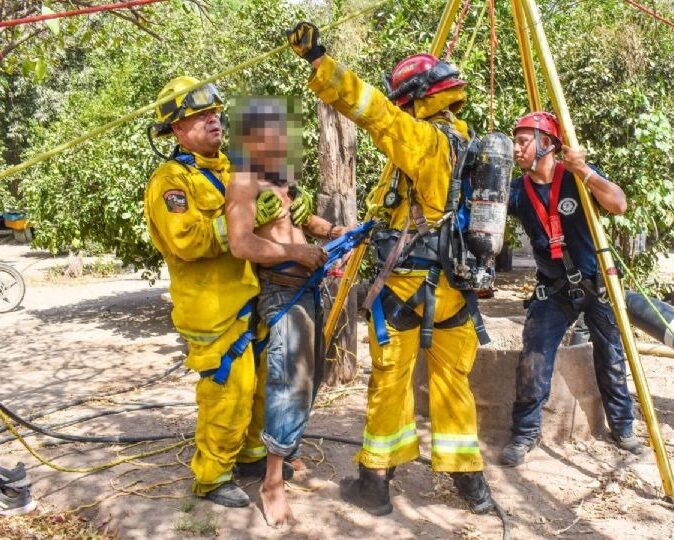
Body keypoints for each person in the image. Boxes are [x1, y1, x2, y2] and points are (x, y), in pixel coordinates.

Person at [285, 22, 495, 516]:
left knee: (390, 384)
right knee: (452, 386)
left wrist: (319, 60)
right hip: (455, 292)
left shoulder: (422, 141)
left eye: (404, 102)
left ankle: (375, 485)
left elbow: (372, 110)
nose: (398, 110)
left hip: (406, 290)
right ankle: (473, 487)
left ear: (416, 100)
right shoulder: (468, 147)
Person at [144, 77, 286, 507]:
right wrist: (238, 224)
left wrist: (287, 204)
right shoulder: (171, 182)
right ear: (176, 129)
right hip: (210, 307)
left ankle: (250, 456)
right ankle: (211, 476)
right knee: (229, 390)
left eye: (215, 114)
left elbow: (270, 205)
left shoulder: (231, 168)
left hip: (248, 295)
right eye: (199, 116)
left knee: (261, 382)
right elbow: (186, 241)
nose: (213, 121)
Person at [225, 97, 346, 527]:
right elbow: (241, 244)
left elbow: (302, 218)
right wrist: (296, 252)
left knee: (310, 379)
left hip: (308, 287)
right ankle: (271, 480)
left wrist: (335, 233)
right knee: (288, 380)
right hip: (280, 291)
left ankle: (286, 453)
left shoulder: (281, 178)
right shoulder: (243, 182)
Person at [502, 111, 644, 466]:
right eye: (515, 141)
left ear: (546, 144)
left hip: (596, 283)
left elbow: (618, 203)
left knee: (611, 355)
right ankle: (524, 433)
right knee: (534, 357)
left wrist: (585, 170)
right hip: (554, 289)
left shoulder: (576, 179)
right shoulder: (518, 192)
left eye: (523, 141)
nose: (516, 148)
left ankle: (623, 427)